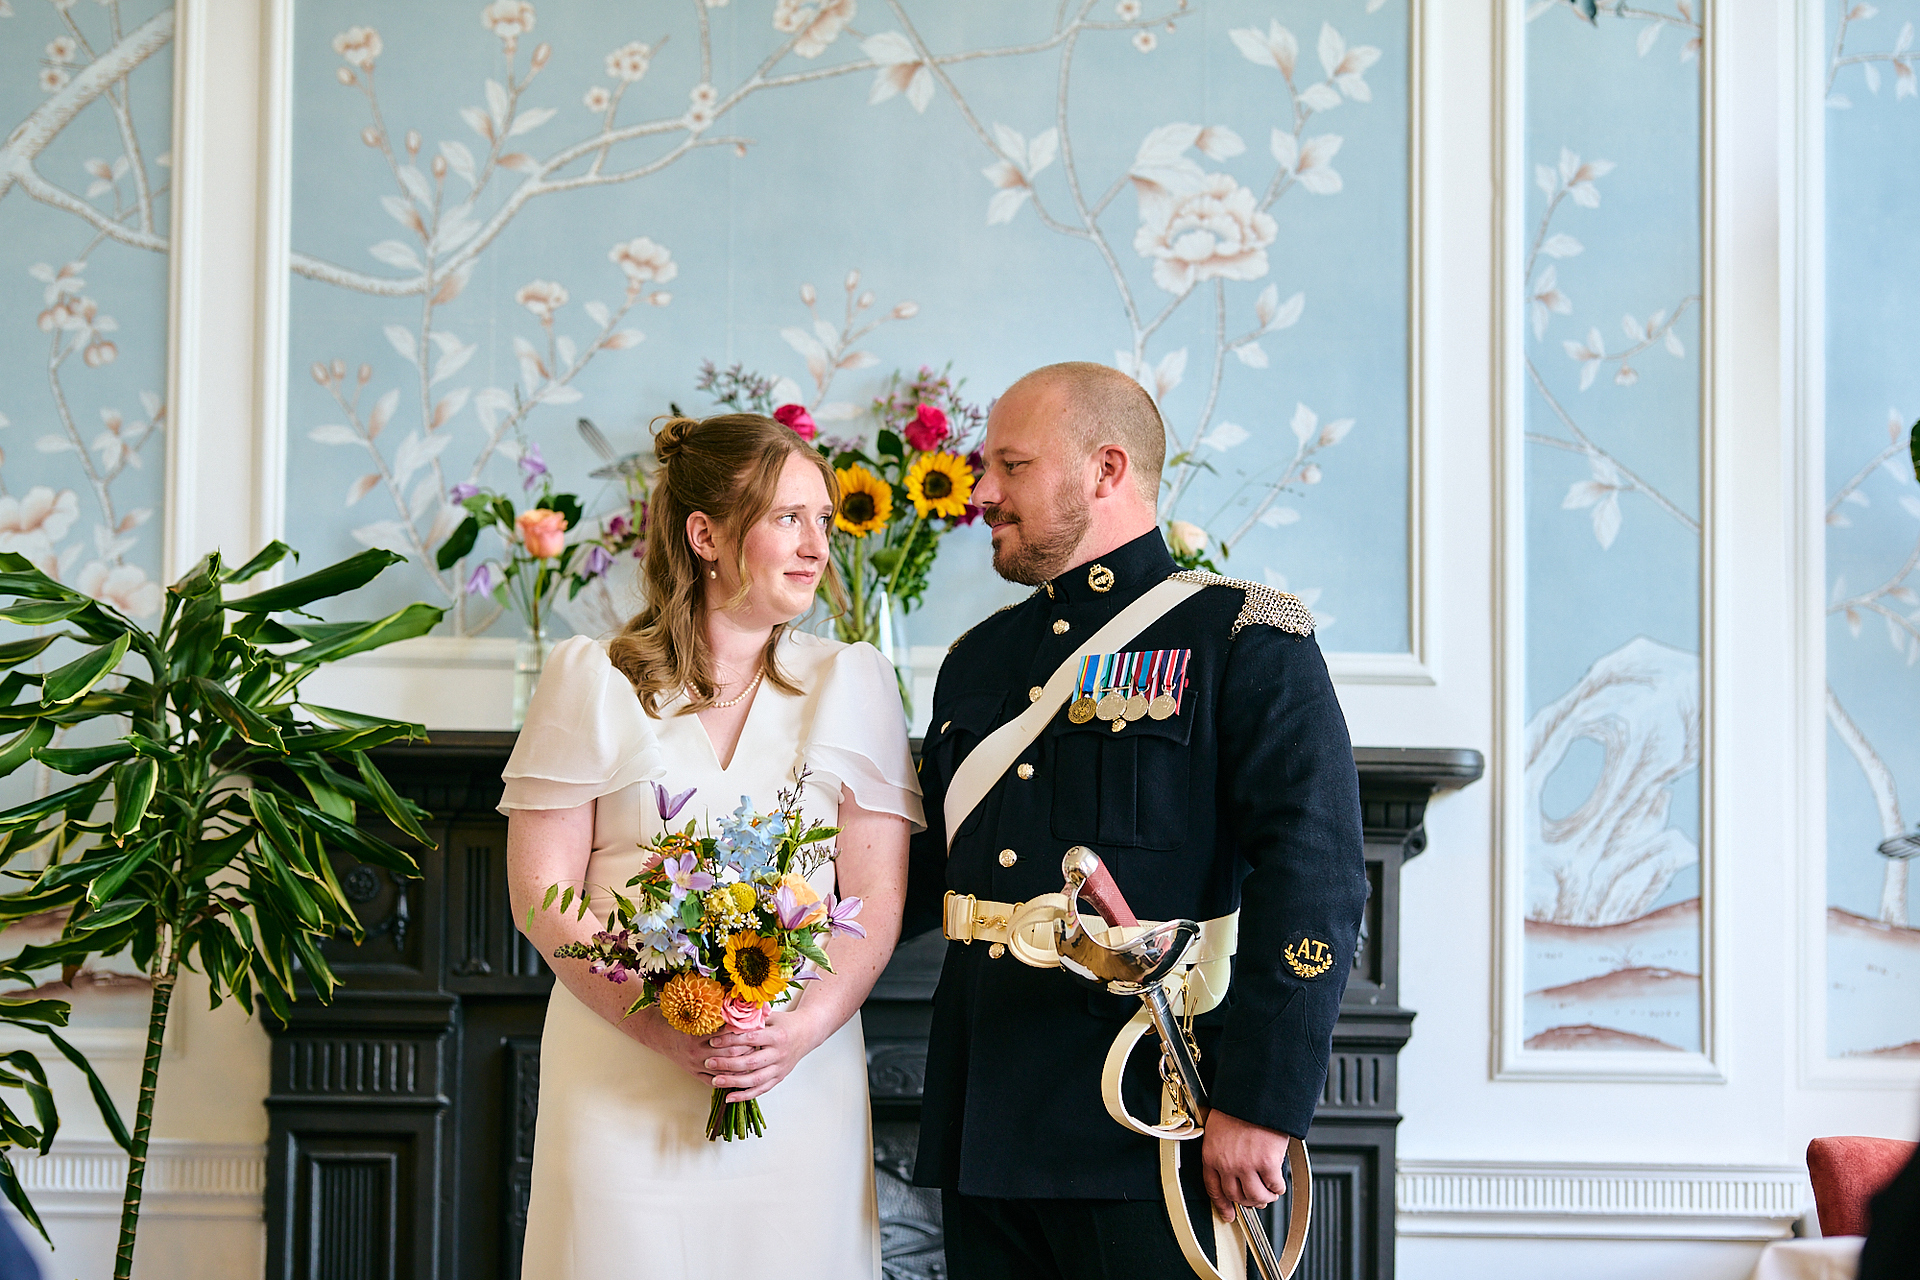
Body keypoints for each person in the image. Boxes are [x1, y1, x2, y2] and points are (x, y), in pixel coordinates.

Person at [905, 362, 1368, 1279]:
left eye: (1011, 466)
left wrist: (1261, 1101)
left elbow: (1315, 876)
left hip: (1150, 1117)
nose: (982, 493)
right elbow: (917, 876)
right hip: (984, 1117)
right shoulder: (977, 661)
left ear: (1106, 469)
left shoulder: (1241, 638)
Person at [501, 412, 924, 1279]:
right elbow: (541, 896)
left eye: (822, 521)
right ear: (705, 536)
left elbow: (876, 898)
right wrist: (663, 1027)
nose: (817, 547)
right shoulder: (592, 679)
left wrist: (796, 1033)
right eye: (788, 519)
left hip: (796, 1077)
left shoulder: (854, 681)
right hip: (619, 1072)